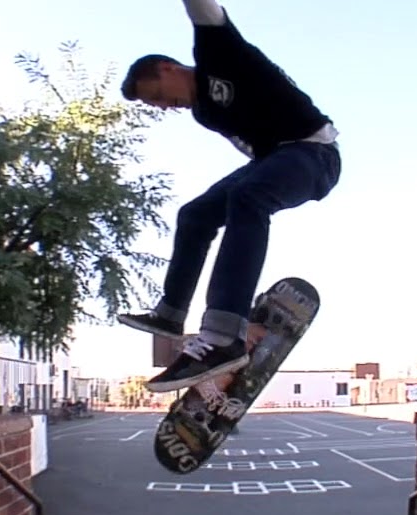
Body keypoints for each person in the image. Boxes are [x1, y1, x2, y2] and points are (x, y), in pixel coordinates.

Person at [116, 0, 342, 393]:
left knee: (248, 197)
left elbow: (202, 8)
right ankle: (170, 314)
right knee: (195, 215)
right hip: (276, 160)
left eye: (159, 96)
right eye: (157, 106)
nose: (165, 107)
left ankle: (223, 336)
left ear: (168, 68)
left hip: (315, 154)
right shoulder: (204, 113)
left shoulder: (218, 51)